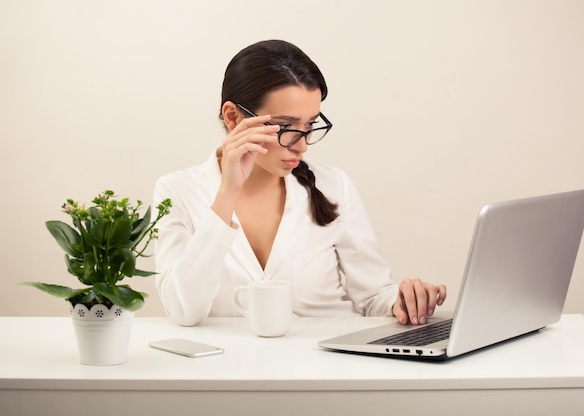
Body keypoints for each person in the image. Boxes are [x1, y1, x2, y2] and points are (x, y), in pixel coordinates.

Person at [153, 39, 446, 327]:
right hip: (232, 370)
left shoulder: (334, 185)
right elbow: (183, 310)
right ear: (233, 117)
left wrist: (405, 301)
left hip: (327, 367)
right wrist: (228, 193)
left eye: (309, 125)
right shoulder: (177, 191)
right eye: (285, 126)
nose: (301, 145)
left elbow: (374, 296)